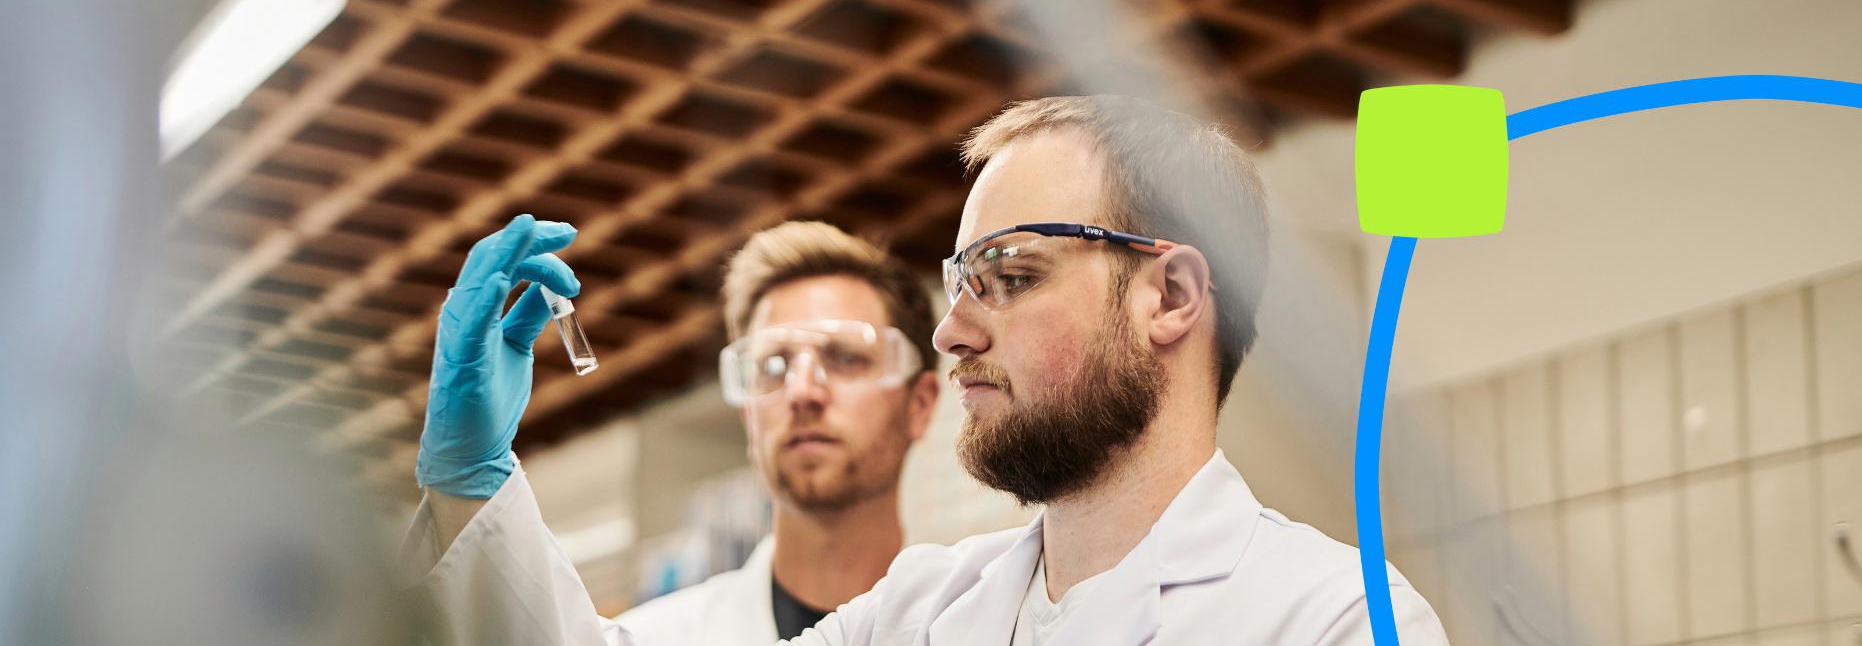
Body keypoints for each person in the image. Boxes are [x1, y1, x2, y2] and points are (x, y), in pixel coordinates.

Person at [404, 96, 1449, 645]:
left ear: (1170, 296)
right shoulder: (922, 612)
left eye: (1010, 276)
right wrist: (472, 478)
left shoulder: (1333, 621)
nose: (951, 333)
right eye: (959, 283)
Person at [405, 219, 940, 643]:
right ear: (747, 412)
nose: (802, 391)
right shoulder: (663, 636)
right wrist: (468, 482)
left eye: (845, 357)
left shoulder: (977, 624)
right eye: (772, 365)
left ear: (920, 404)